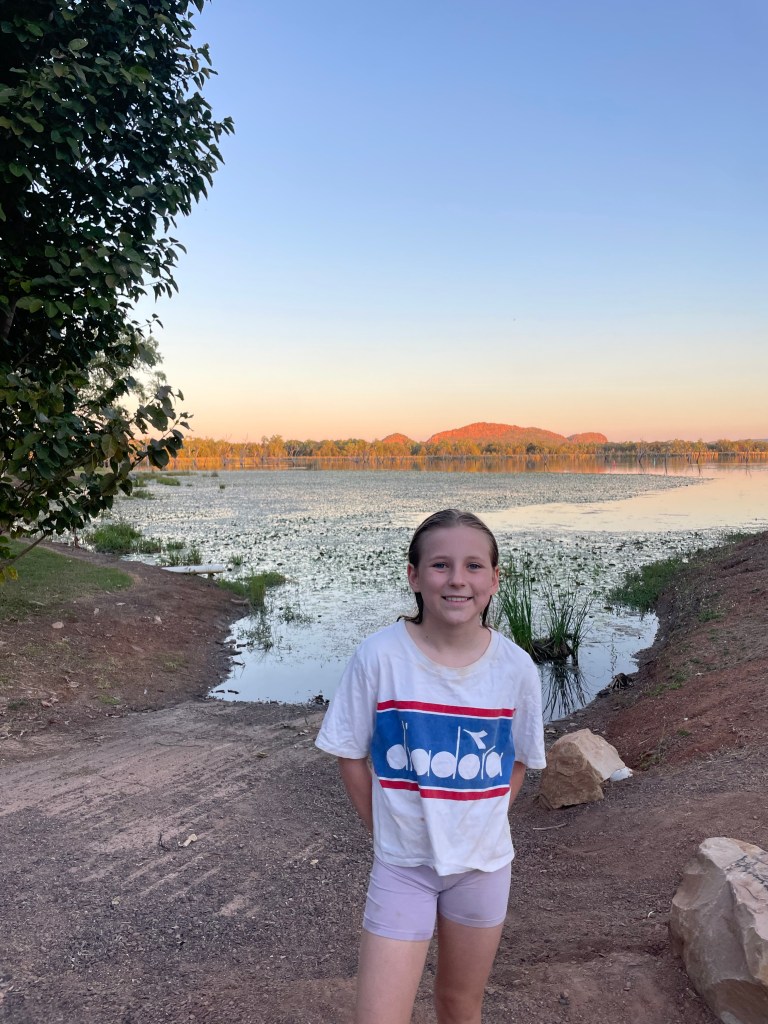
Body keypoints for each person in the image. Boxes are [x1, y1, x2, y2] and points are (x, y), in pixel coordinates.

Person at [315, 509, 546, 1024]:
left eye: (473, 566)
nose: (458, 579)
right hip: (404, 869)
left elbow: (518, 761)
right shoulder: (380, 657)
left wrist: (479, 821)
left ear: (494, 579)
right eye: (441, 565)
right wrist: (385, 830)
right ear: (414, 576)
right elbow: (350, 754)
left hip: (483, 869)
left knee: (459, 1005)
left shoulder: (516, 668)